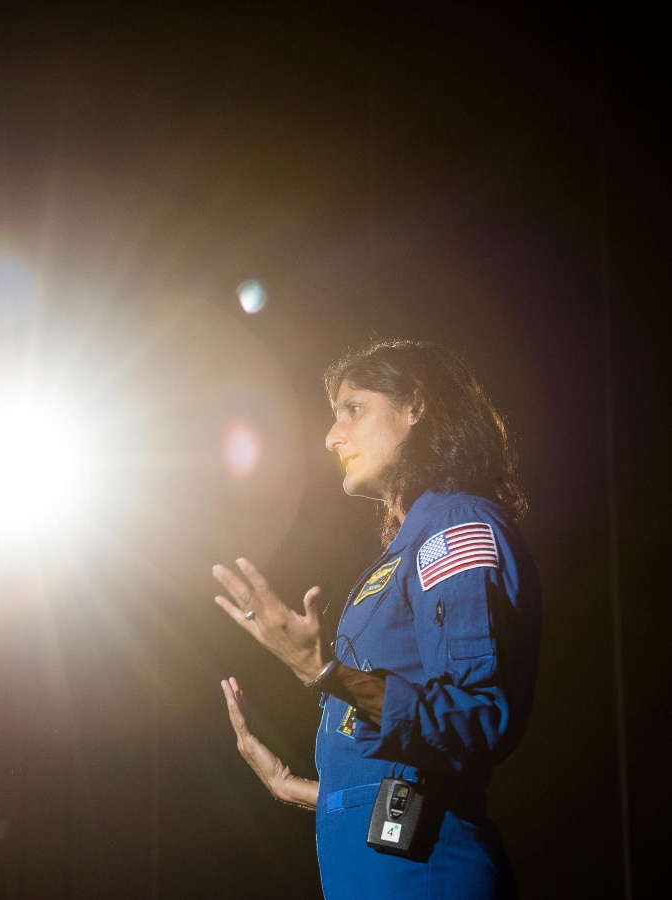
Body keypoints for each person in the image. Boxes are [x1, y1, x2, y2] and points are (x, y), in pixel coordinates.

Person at [213, 339, 540, 899]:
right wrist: (295, 787)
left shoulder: (455, 527)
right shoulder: (405, 550)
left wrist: (324, 671)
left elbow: (478, 717)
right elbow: (396, 781)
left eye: (354, 409)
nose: (331, 436)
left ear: (416, 406)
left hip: (427, 877)